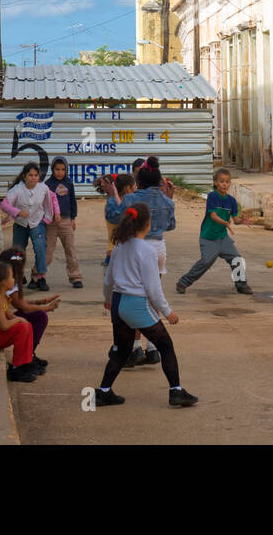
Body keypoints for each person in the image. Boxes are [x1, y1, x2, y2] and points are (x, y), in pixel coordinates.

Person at [94, 203, 198, 408]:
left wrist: (107, 299)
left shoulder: (119, 247)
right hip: (136, 304)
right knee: (165, 346)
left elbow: (109, 279)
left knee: (120, 350)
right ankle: (176, 391)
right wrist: (167, 311)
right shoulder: (147, 250)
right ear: (147, 224)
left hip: (117, 302)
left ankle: (103, 391)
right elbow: (153, 287)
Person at [119, 161, 176, 366]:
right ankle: (153, 348)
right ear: (159, 181)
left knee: (135, 296)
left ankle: (135, 348)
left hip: (137, 246)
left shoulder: (131, 199)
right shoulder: (167, 201)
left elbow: (119, 218)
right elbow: (170, 225)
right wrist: (168, 199)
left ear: (138, 181)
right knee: (153, 295)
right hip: (159, 248)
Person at [176, 168, 252, 295]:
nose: (224, 184)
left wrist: (242, 221)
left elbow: (236, 219)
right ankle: (183, 282)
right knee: (206, 262)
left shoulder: (232, 201)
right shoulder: (212, 196)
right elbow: (213, 216)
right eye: (222, 181)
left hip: (223, 237)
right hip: (208, 237)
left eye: (227, 182)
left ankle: (241, 285)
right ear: (216, 183)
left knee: (237, 259)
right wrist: (226, 223)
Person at [0, 247, 62, 372]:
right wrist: (48, 308)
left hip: (2, 320)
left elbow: (20, 303)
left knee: (37, 315)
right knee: (39, 317)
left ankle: (29, 354)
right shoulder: (7, 281)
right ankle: (27, 356)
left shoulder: (7, 279)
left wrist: (40, 302)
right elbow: (24, 308)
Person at [3, 162, 55, 291]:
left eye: (36, 175)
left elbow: (51, 200)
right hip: (20, 223)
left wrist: (49, 218)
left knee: (40, 247)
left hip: (37, 222)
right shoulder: (17, 189)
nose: (33, 178)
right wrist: (17, 212)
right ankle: (18, 275)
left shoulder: (43, 188)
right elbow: (4, 204)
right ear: (24, 176)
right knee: (17, 251)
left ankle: (41, 276)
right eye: (30, 175)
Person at [45, 157, 82, 288]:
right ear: (52, 169)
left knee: (70, 250)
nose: (59, 172)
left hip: (66, 221)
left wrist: (73, 218)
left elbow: (73, 202)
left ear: (66, 170)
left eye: (62, 169)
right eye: (57, 169)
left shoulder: (69, 183)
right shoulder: (47, 184)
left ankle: (75, 277)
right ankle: (38, 276)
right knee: (47, 251)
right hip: (51, 223)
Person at [96, 172, 136, 266]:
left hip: (116, 249)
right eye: (134, 187)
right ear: (127, 189)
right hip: (115, 250)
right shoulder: (113, 204)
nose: (135, 190)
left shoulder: (120, 201)